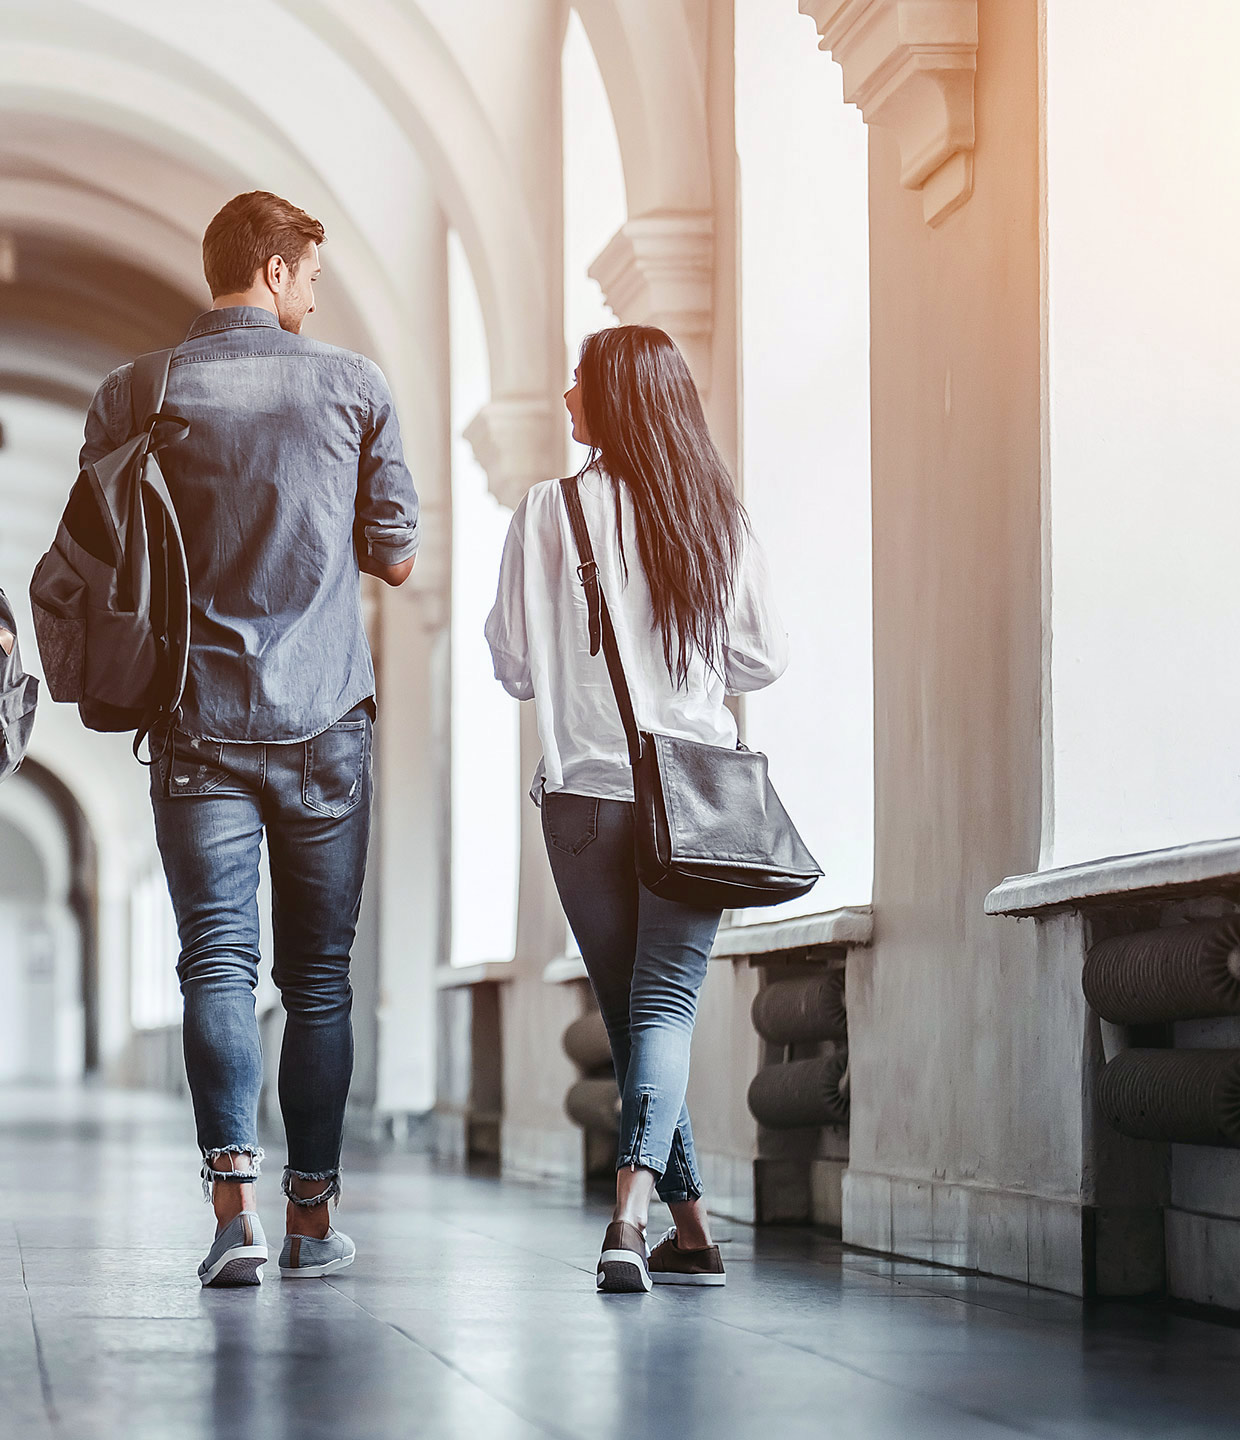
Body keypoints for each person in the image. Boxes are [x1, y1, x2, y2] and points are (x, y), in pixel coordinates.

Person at [79, 192, 420, 1287]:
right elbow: (397, 556)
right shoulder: (353, 385)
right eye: (310, 277)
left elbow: (99, 553)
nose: (315, 298)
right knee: (318, 980)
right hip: (325, 724)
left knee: (213, 964)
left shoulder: (135, 392)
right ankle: (312, 1221)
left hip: (195, 723)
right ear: (272, 272)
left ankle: (234, 1215)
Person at [485, 324, 786, 1294]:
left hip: (580, 801)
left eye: (578, 380)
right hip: (692, 800)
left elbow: (514, 666)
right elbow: (760, 661)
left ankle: (651, 1223)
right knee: (653, 1015)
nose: (566, 395)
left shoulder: (545, 512)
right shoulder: (714, 517)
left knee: (632, 1018)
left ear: (614, 399)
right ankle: (661, 1225)